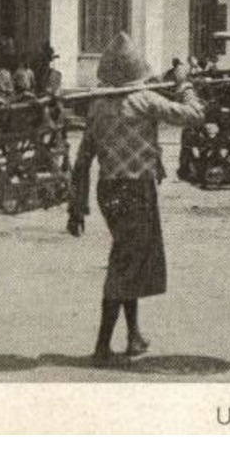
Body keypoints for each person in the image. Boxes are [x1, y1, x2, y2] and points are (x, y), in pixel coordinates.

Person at [68, 32, 204, 363]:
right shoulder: (145, 100)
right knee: (123, 265)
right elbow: (194, 114)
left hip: (109, 191)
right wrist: (185, 84)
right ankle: (102, 346)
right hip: (135, 189)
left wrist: (77, 208)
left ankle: (133, 336)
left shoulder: (98, 106)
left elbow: (83, 159)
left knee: (129, 260)